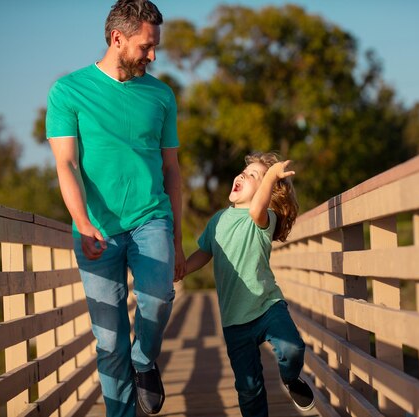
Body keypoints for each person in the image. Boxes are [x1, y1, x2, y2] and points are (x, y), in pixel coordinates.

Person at [45, 1, 184, 415]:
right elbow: (66, 163)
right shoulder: (68, 91)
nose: (153, 56)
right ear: (117, 38)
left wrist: (177, 241)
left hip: (151, 217)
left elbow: (172, 169)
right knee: (108, 341)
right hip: (97, 229)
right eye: (146, 46)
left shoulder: (161, 94)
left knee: (158, 298)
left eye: (156, 46)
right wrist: (82, 222)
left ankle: (145, 360)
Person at [177, 152, 315, 416]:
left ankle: (291, 377)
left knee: (292, 347)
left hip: (267, 306)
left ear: (268, 192)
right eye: (244, 171)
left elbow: (255, 209)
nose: (242, 175)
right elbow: (205, 252)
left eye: (254, 175)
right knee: (248, 388)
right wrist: (183, 270)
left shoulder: (265, 218)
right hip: (234, 320)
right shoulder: (217, 220)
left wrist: (273, 175)